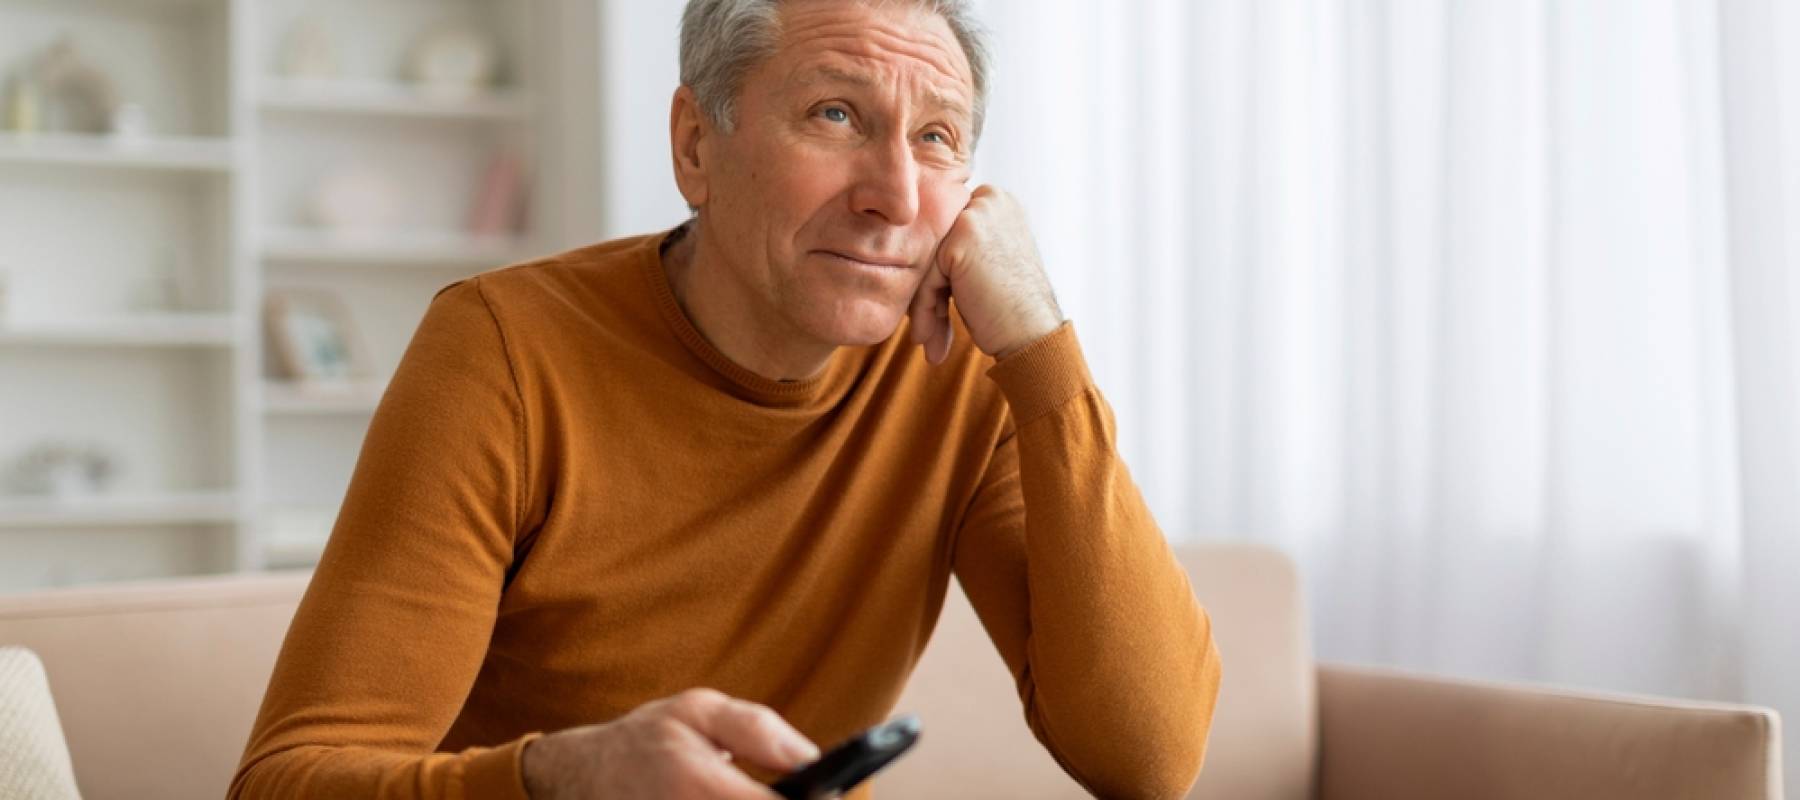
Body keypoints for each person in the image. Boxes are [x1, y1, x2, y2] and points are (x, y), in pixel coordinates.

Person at [229, 1, 1222, 798]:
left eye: (936, 138)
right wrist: (563, 775)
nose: (897, 194)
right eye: (837, 115)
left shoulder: (964, 365)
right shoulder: (505, 349)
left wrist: (1043, 343)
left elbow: (1148, 758)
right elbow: (286, 780)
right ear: (696, 144)